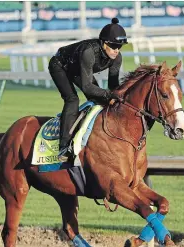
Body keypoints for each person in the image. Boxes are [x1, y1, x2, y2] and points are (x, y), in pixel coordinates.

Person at [48, 18, 128, 162]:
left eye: (119, 46)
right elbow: (87, 87)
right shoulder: (88, 52)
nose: (116, 50)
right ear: (103, 43)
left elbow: (113, 85)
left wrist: (119, 96)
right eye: (113, 45)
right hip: (59, 65)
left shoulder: (117, 58)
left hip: (77, 69)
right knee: (72, 100)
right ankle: (64, 147)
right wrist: (110, 94)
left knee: (99, 99)